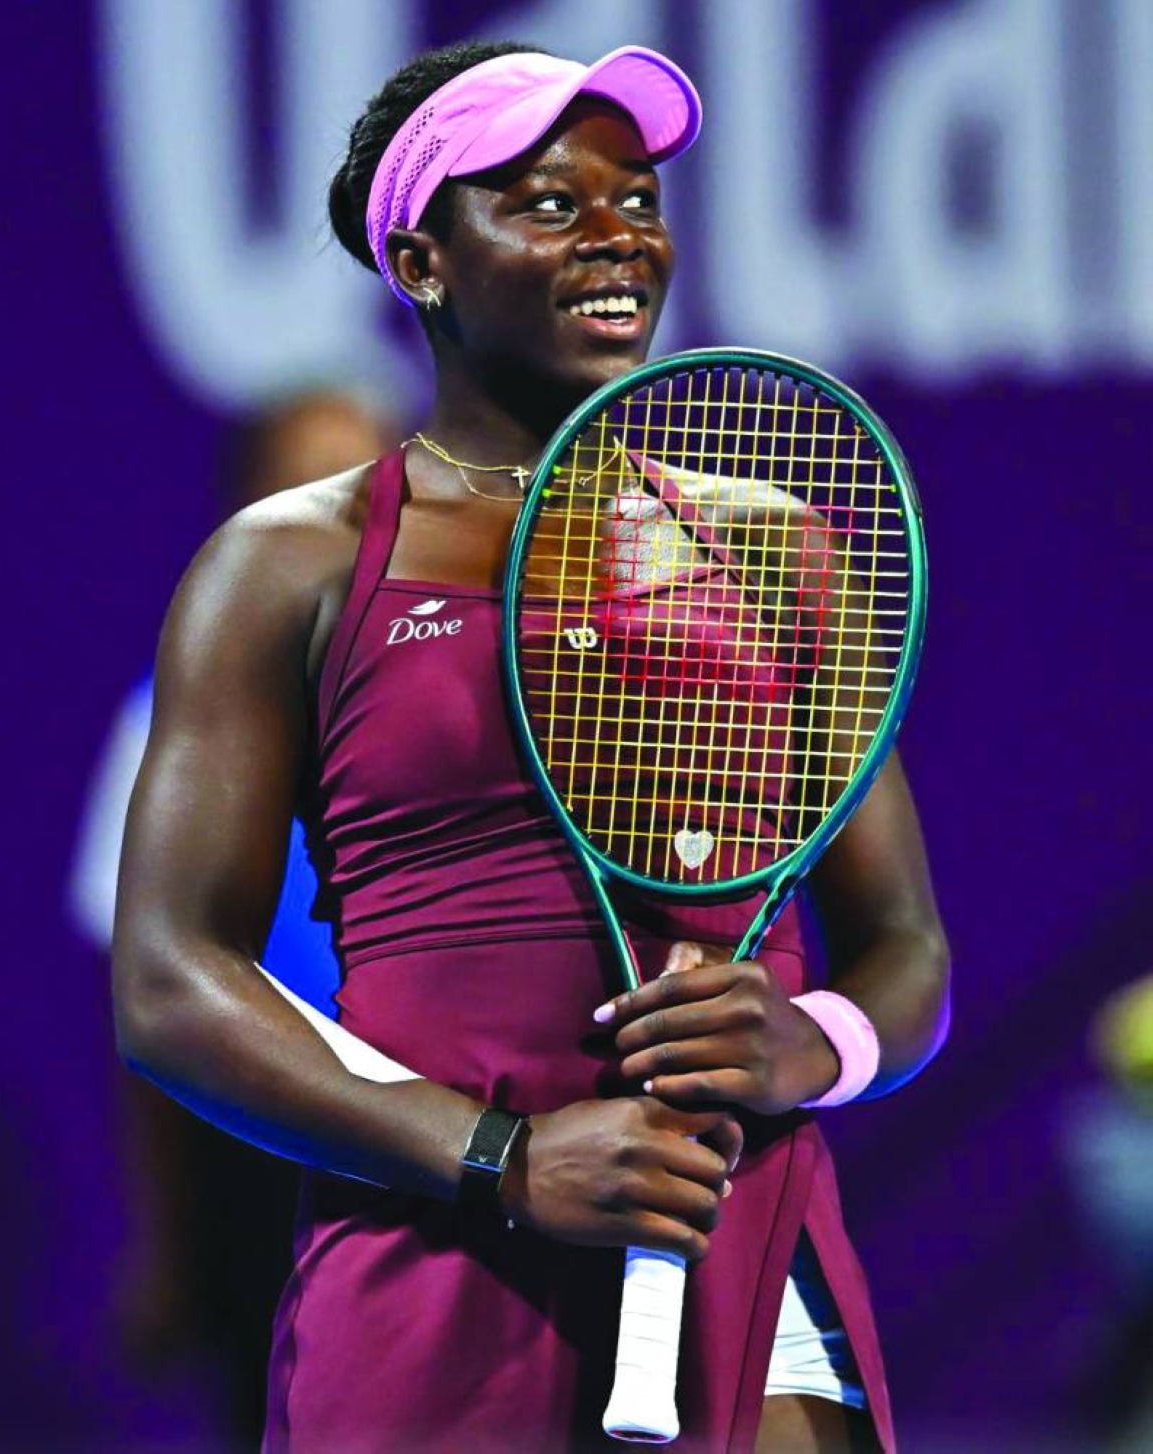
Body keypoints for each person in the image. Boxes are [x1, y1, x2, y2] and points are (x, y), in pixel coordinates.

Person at [112, 41, 950, 1453]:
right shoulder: (286, 568)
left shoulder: (772, 551)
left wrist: (812, 1040)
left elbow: (907, 949)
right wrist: (503, 1158)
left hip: (736, 1248)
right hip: (425, 1259)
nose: (621, 232)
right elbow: (168, 979)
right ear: (426, 262)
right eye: (553, 203)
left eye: (639, 196)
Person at [76, 390, 391, 1448]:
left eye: (360, 489)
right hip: (255, 1153)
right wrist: (166, 1242)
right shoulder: (173, 721)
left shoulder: (477, 701)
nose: (338, 526)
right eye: (301, 491)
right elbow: (150, 1009)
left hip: (445, 1147)